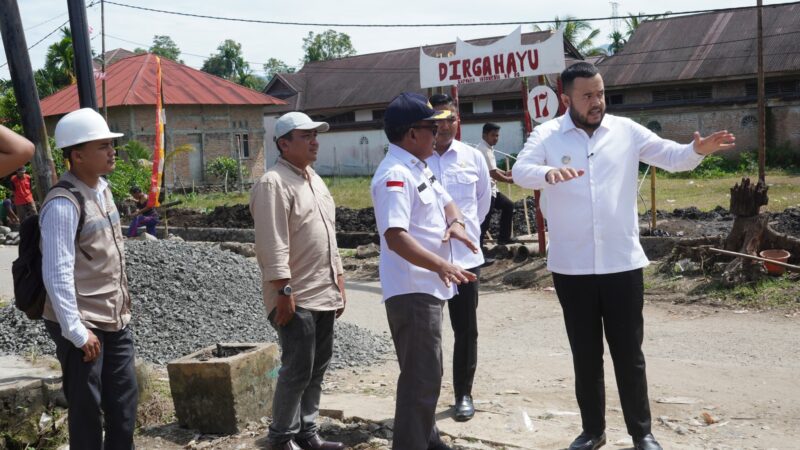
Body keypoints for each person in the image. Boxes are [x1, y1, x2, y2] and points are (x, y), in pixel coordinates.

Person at [513, 62, 735, 450]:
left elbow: (672, 156)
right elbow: (520, 170)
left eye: (600, 93)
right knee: (586, 355)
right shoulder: (547, 135)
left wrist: (696, 150)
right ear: (567, 99)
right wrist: (547, 174)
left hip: (622, 265)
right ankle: (593, 431)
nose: (597, 102)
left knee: (629, 355)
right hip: (572, 266)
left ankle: (642, 433)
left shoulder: (626, 131)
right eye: (587, 96)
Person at [371, 92, 478, 450]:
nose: (439, 133)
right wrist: (443, 264)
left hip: (428, 287)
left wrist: (457, 223)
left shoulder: (420, 166)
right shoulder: (394, 175)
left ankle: (428, 441)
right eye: (432, 127)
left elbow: (448, 203)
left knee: (426, 375)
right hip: (413, 289)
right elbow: (396, 237)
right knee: (422, 378)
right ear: (410, 133)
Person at [40, 107, 137, 450]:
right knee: (86, 414)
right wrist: (77, 332)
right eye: (102, 146)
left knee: (124, 408)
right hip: (83, 327)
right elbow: (57, 273)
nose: (112, 151)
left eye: (111, 144)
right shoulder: (63, 204)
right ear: (77, 155)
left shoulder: (103, 190)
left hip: (115, 319)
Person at [250, 111, 347, 450]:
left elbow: (329, 236)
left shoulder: (313, 179)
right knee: (296, 370)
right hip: (296, 295)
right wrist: (283, 290)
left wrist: (340, 279)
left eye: (315, 135)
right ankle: (280, 438)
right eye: (305, 136)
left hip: (324, 291)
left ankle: (307, 433)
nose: (314, 141)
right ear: (283, 143)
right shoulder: (273, 183)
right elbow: (272, 243)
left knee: (317, 367)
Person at [426, 93, 491, 422]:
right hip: (429, 262)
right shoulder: (417, 159)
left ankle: (463, 393)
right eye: (438, 119)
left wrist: (467, 235)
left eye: (450, 118)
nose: (445, 125)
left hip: (465, 259)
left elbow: (481, 205)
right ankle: (424, 396)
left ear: (458, 121)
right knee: (428, 331)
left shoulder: (472, 157)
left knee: (466, 329)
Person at [476, 123, 515, 250]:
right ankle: (479, 251)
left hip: (492, 189)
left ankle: (504, 238)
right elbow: (492, 173)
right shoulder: (485, 150)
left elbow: (492, 168)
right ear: (484, 135)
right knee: (484, 222)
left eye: (497, 135)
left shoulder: (486, 148)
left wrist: (504, 172)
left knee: (508, 205)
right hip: (486, 191)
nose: (496, 138)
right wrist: (509, 180)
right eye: (493, 135)